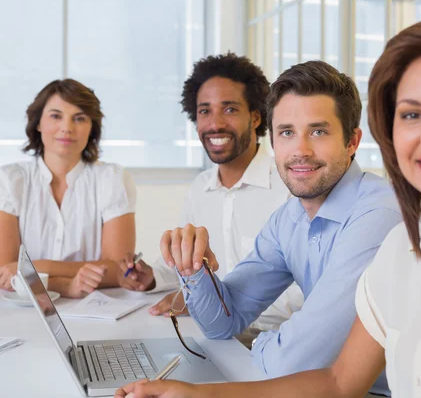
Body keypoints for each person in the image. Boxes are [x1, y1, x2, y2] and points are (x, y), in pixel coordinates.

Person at [115, 21, 421, 398]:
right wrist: (196, 389)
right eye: (412, 114)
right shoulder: (407, 250)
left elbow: (307, 367)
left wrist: (254, 349)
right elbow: (337, 382)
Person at [117, 59, 402, 396]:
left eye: (318, 131)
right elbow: (221, 323)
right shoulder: (290, 218)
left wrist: (262, 342)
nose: (300, 150)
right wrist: (194, 270)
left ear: (352, 141)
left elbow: (295, 361)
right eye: (287, 133)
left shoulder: (380, 213)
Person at [117, 53, 303, 340]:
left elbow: (302, 290)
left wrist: (208, 304)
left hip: (276, 336)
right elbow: (186, 265)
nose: (214, 124)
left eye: (229, 110)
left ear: (255, 117)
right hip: (215, 333)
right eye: (204, 111)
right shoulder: (200, 188)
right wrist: (151, 277)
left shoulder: (291, 187)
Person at [0, 79, 137, 299]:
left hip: (96, 310)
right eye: (56, 116)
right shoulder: (10, 180)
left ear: (92, 127)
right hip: (23, 310)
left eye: (79, 118)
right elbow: (6, 274)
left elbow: (118, 270)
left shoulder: (112, 179)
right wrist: (67, 286)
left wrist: (37, 267)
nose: (67, 128)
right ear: (38, 123)